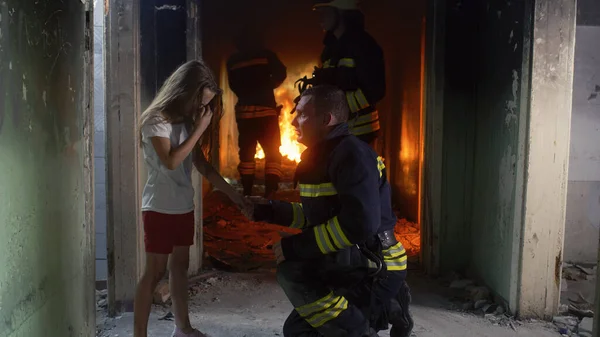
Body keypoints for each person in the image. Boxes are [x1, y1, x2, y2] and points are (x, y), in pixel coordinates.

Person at [251, 85, 412, 337]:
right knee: (297, 331)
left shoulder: (351, 155)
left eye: (302, 114)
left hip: (375, 266)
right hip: (351, 260)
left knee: (292, 271)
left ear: (326, 119)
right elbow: (320, 215)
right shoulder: (324, 156)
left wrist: (295, 247)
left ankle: (364, 326)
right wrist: (268, 210)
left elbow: (359, 224)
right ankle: (385, 307)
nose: (293, 120)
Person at [135, 60, 251, 337]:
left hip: (183, 206)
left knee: (180, 267)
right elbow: (172, 161)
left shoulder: (187, 122)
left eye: (207, 105)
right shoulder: (156, 120)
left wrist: (235, 196)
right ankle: (138, 335)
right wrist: (200, 128)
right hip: (160, 206)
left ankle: (183, 328)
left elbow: (203, 166)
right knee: (155, 272)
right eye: (201, 103)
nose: (202, 110)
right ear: (185, 92)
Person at [295, 0, 386, 150]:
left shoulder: (364, 45)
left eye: (326, 13)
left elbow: (375, 90)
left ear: (342, 13)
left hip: (358, 133)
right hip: (335, 131)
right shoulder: (330, 49)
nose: (321, 19)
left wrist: (338, 108)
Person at [227, 26, 287, 198]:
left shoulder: (232, 60)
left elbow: (233, 85)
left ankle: (247, 191)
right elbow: (281, 73)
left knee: (246, 153)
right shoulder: (266, 55)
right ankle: (270, 190)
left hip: (244, 114)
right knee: (273, 152)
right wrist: (268, 88)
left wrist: (246, 94)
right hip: (266, 113)